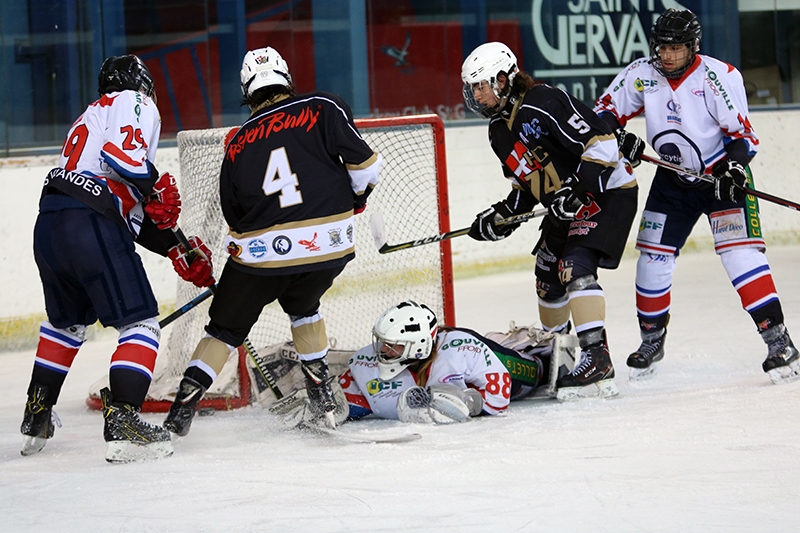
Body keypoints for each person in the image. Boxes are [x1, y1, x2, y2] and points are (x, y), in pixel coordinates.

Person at [163, 46, 382, 436]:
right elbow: (367, 167)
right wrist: (356, 200)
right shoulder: (322, 105)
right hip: (330, 245)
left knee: (224, 332)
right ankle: (322, 399)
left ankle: (182, 409)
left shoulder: (238, 140)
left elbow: (235, 215)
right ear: (286, 78)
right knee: (304, 306)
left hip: (262, 256)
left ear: (247, 91)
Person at [20, 55, 215, 463]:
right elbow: (122, 159)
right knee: (141, 323)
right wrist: (155, 183)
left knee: (66, 324)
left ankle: (37, 413)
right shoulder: (132, 100)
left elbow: (126, 211)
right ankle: (124, 420)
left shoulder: (86, 119)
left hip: (51, 225)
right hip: (88, 223)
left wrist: (175, 246)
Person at [594, 9, 799, 384]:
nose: (668, 55)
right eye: (662, 47)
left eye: (677, 47)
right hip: (672, 182)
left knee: (740, 256)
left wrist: (734, 169)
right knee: (652, 258)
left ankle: (779, 341)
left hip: (721, 180)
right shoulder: (641, 74)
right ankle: (652, 339)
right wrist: (620, 137)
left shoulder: (719, 77)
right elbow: (603, 114)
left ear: (693, 46)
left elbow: (743, 137)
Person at [460, 42, 639, 400]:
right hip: (565, 203)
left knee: (574, 267)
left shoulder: (542, 102)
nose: (476, 95)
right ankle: (558, 352)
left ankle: (596, 357)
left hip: (607, 191)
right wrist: (501, 216)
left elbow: (602, 144)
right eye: (472, 88)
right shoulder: (498, 131)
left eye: (480, 85)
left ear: (502, 78)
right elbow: (526, 188)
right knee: (547, 276)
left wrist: (575, 188)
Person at [270, 300, 562, 426]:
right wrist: (324, 408)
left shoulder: (461, 352)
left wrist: (467, 400)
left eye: (392, 345)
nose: (382, 349)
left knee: (538, 370)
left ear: (417, 345)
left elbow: (498, 398)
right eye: (382, 341)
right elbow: (350, 403)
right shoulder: (368, 363)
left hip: (492, 359)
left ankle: (534, 349)